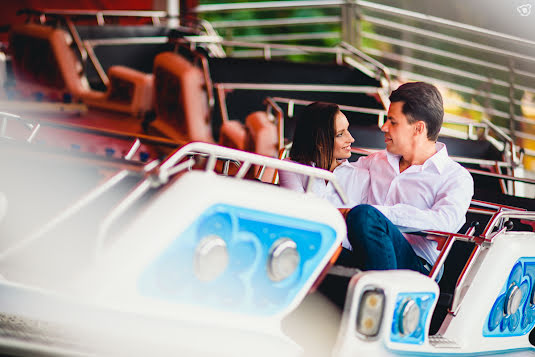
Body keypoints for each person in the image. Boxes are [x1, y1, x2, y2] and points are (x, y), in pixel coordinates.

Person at [340, 82, 473, 275]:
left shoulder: (456, 177)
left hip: (415, 267)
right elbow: (337, 180)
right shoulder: (375, 161)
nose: (384, 127)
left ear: (418, 129)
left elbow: (444, 223)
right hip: (362, 253)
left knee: (365, 215)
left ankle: (382, 297)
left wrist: (377, 214)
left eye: (392, 122)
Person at [278, 101, 370, 214]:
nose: (351, 139)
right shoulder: (290, 167)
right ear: (319, 142)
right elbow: (298, 212)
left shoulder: (362, 176)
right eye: (340, 134)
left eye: (347, 129)